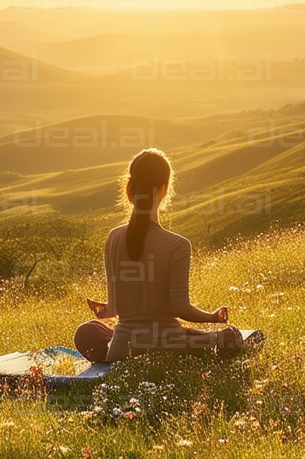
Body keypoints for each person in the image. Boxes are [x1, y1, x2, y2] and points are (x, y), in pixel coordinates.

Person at [73, 148, 244, 363]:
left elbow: (114, 308)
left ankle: (117, 347)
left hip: (119, 351)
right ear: (164, 190)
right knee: (231, 336)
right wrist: (212, 317)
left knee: (87, 331)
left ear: (130, 187)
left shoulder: (113, 238)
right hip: (166, 347)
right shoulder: (178, 245)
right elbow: (180, 307)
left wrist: (104, 311)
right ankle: (208, 341)